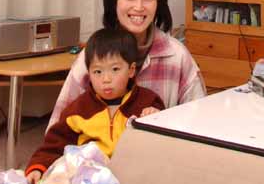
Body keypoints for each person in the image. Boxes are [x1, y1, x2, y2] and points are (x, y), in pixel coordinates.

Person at [49, 0, 205, 128]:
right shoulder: (93, 55)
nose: (139, 7)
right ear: (113, 2)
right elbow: (58, 125)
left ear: (158, 3)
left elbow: (199, 121)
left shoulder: (177, 55)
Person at [25, 28, 164, 183]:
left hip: (131, 174)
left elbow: (165, 142)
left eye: (115, 69)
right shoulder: (78, 109)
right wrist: (38, 167)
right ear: (89, 73)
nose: (106, 79)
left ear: (131, 70)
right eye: (98, 72)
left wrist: (155, 116)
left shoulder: (147, 101)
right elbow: (53, 145)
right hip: (89, 175)